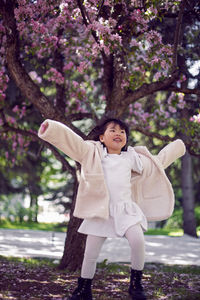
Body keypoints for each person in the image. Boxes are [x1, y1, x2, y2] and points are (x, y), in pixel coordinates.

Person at [38, 117, 186, 300]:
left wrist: (178, 147)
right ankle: (84, 289)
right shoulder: (92, 153)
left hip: (126, 210)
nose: (118, 134)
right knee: (90, 254)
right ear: (102, 138)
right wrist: (51, 128)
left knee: (138, 241)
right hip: (101, 211)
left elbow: (157, 164)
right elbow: (73, 142)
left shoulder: (131, 156)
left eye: (122, 132)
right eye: (113, 130)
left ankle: (135, 284)